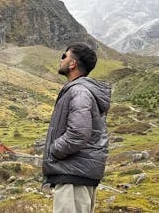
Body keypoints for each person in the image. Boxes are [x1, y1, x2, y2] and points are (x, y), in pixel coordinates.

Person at [43, 42, 111, 213]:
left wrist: (54, 150)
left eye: (64, 56)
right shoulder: (81, 90)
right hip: (78, 173)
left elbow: (79, 133)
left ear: (72, 63)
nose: (61, 60)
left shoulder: (79, 91)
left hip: (73, 174)